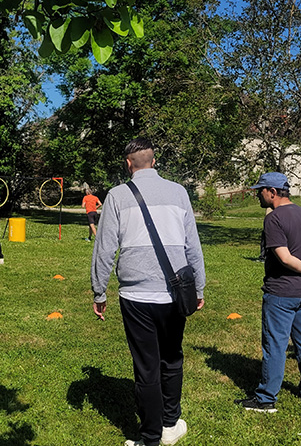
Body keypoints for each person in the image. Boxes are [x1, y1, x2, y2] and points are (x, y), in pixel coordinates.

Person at [91, 138, 205, 446]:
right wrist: (199, 287)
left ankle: (151, 437)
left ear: (128, 163)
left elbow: (105, 249)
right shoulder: (179, 192)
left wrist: (99, 291)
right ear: (154, 161)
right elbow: (192, 245)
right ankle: (171, 423)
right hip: (176, 293)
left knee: (147, 367)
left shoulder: (116, 196)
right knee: (172, 358)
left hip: (136, 298)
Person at [235, 172, 301, 413]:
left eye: (261, 190)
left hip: (282, 292)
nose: (258, 195)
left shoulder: (274, 219)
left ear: (273, 192)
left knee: (275, 344)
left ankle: (266, 399)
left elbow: (284, 257)